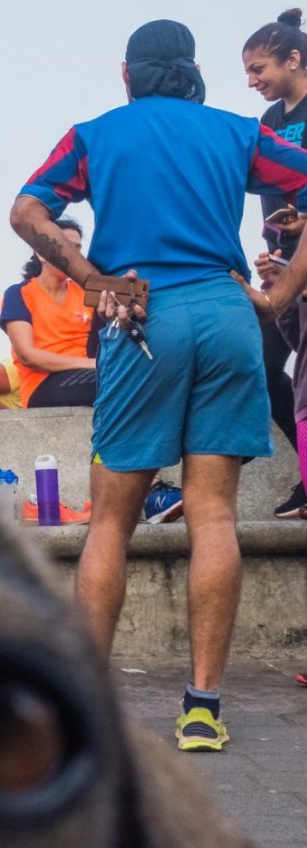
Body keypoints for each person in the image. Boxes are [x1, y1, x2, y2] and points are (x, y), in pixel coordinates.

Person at [10, 19, 307, 751]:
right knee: (212, 516)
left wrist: (88, 278)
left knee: (110, 519)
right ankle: (201, 707)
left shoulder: (94, 133)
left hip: (139, 314)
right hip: (225, 312)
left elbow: (25, 210)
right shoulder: (236, 132)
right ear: (191, 70)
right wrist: (278, 296)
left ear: (127, 73)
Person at [245, 9, 307, 517]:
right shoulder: (269, 122)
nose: (252, 81)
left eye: (259, 68)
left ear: (294, 59)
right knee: (261, 366)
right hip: (280, 272)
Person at [0, 217, 97, 408]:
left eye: (77, 248)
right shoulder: (19, 294)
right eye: (67, 246)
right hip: (42, 384)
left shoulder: (86, 293)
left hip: (88, 373)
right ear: (41, 253)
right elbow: (27, 355)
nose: (74, 254)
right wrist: (90, 364)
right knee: (111, 381)